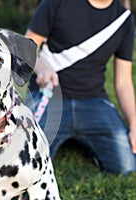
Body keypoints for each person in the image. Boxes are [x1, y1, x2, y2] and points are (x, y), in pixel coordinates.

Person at [24, 0, 136, 174]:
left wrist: (134, 124)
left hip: (94, 101)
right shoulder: (57, 3)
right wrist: (42, 69)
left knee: (126, 167)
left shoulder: (124, 19)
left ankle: (79, 138)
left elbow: (123, 81)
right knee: (27, 166)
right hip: (51, 96)